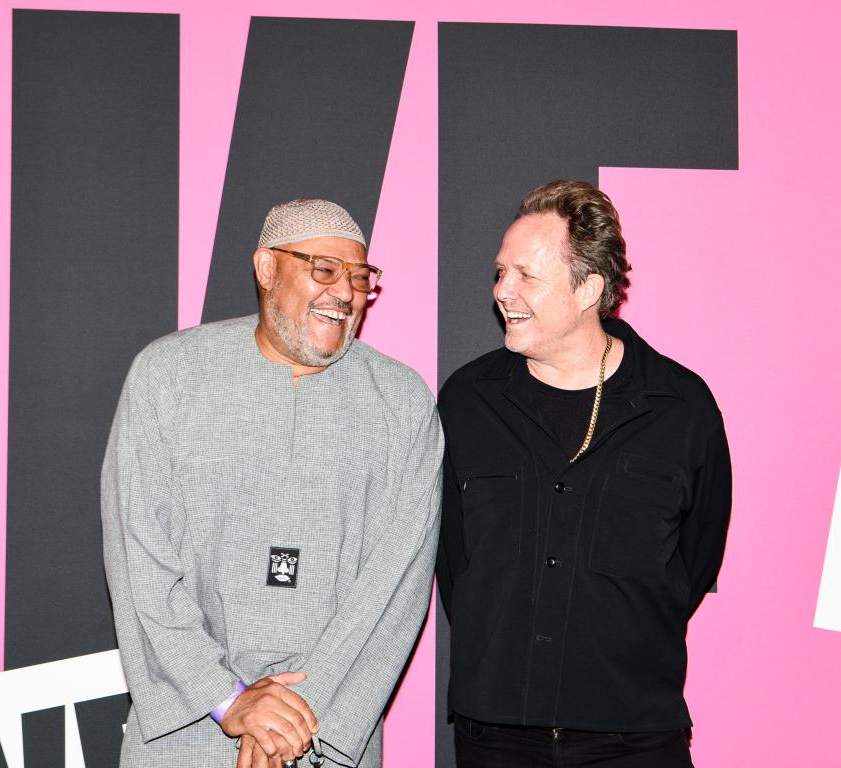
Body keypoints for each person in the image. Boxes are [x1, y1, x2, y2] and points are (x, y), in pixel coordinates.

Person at [101, 199, 443, 768]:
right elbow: (139, 561)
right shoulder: (166, 375)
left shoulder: (402, 402)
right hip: (184, 730)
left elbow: (396, 586)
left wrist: (293, 716)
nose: (346, 292)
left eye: (360, 277)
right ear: (266, 268)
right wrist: (225, 698)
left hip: (327, 736)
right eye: (324, 269)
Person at [436, 180, 731, 767]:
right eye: (500, 272)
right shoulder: (468, 402)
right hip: (494, 737)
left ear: (588, 289)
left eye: (526, 275)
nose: (503, 292)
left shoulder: (681, 408)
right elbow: (451, 555)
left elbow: (695, 561)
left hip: (636, 738)